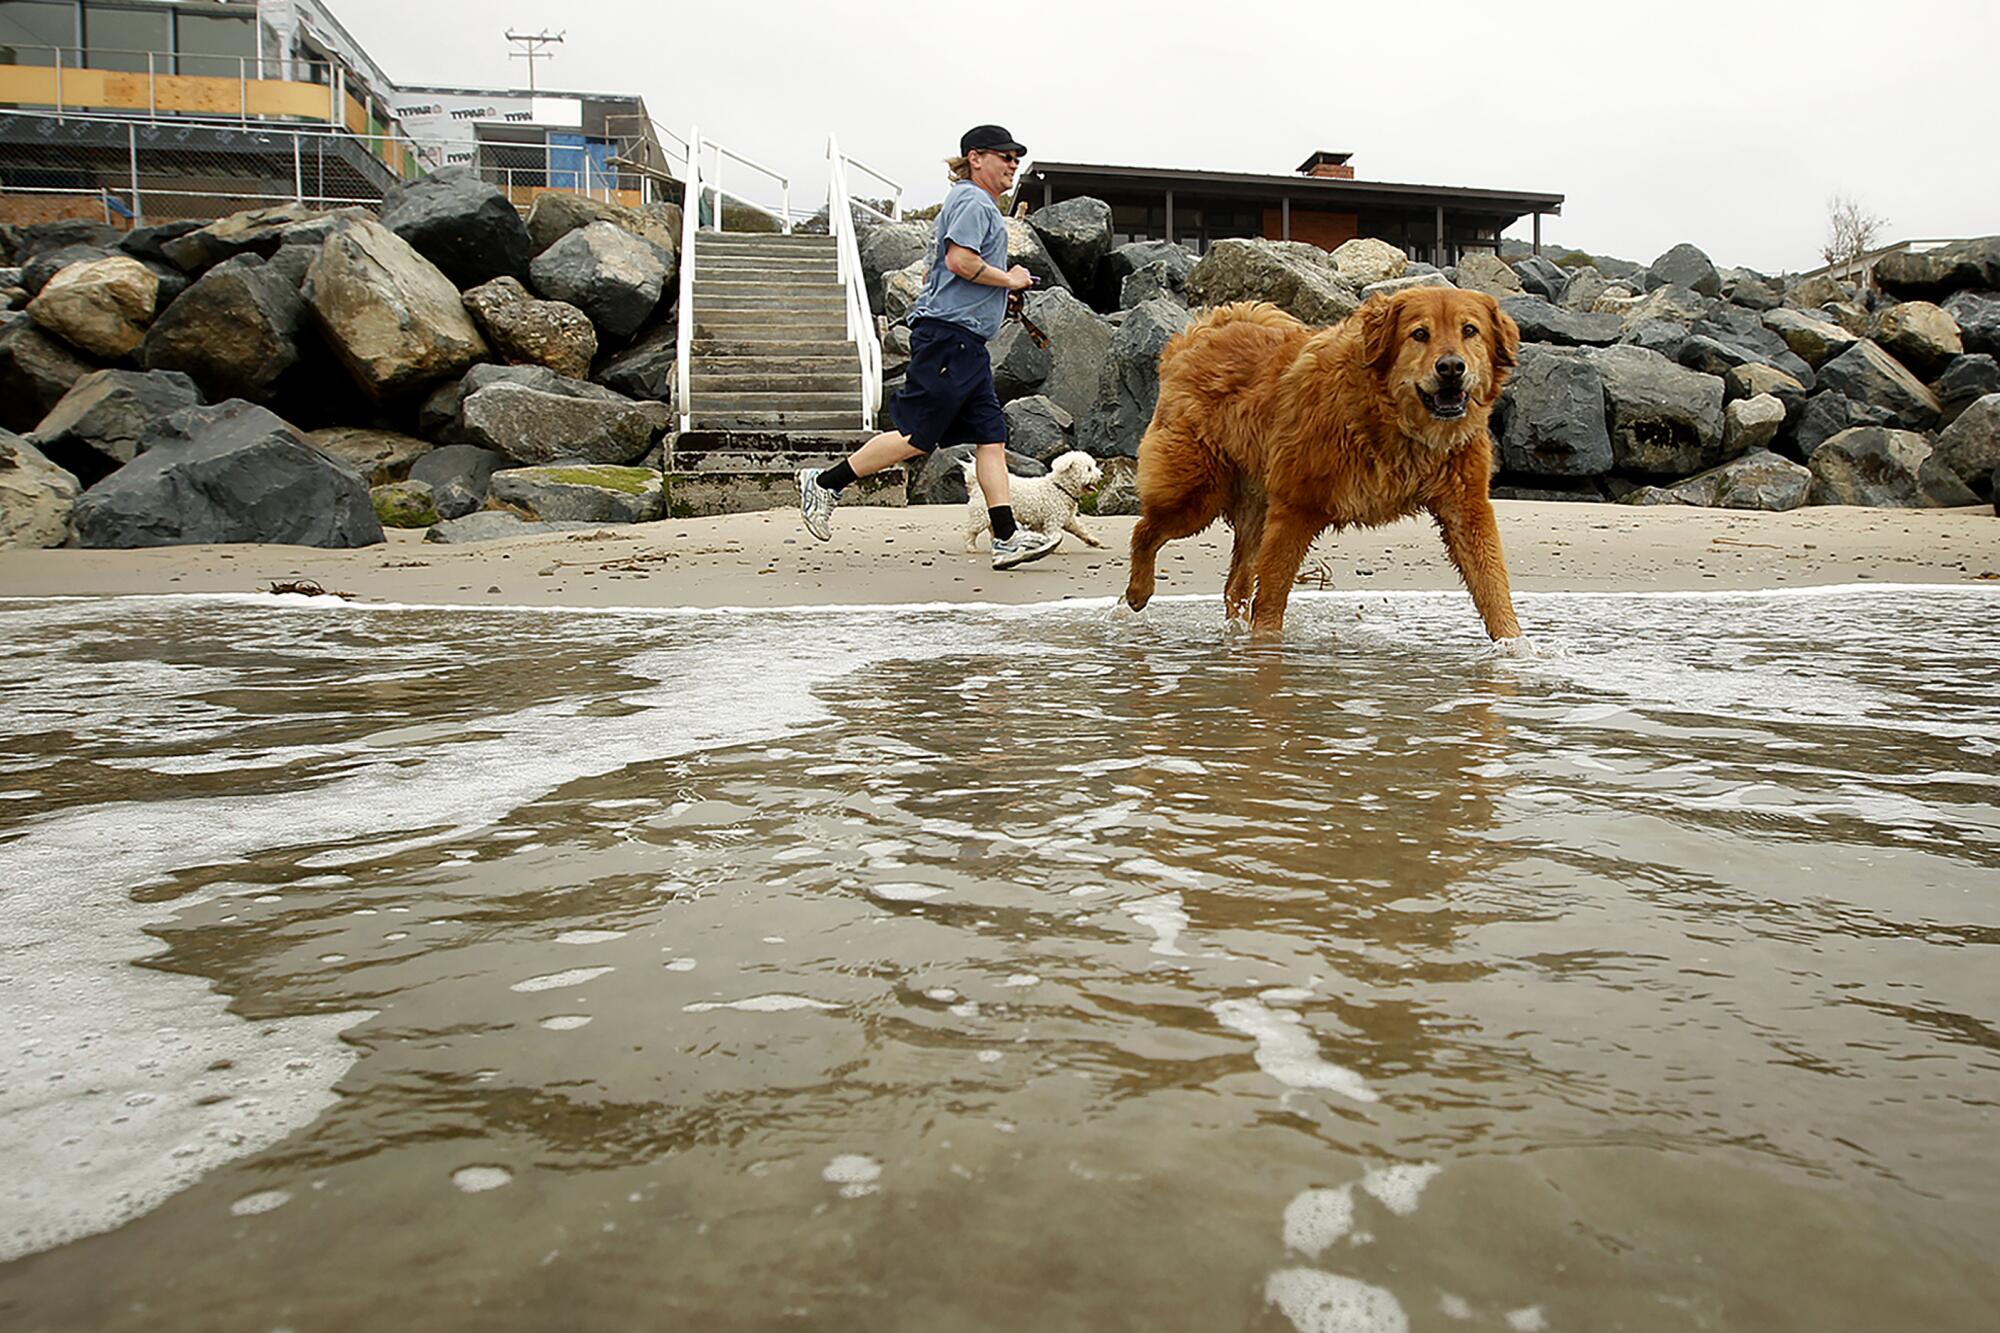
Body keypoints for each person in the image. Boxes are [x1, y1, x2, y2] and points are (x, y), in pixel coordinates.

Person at [797, 125, 1062, 570]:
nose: (1013, 164)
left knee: (991, 438)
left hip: (967, 342)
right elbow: (961, 261)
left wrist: (1001, 293)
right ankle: (825, 483)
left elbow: (939, 269)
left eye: (1017, 157)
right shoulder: (973, 201)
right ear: (975, 158)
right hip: (948, 340)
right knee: (916, 439)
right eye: (1005, 156)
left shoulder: (970, 203)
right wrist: (1010, 279)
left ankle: (1007, 538)